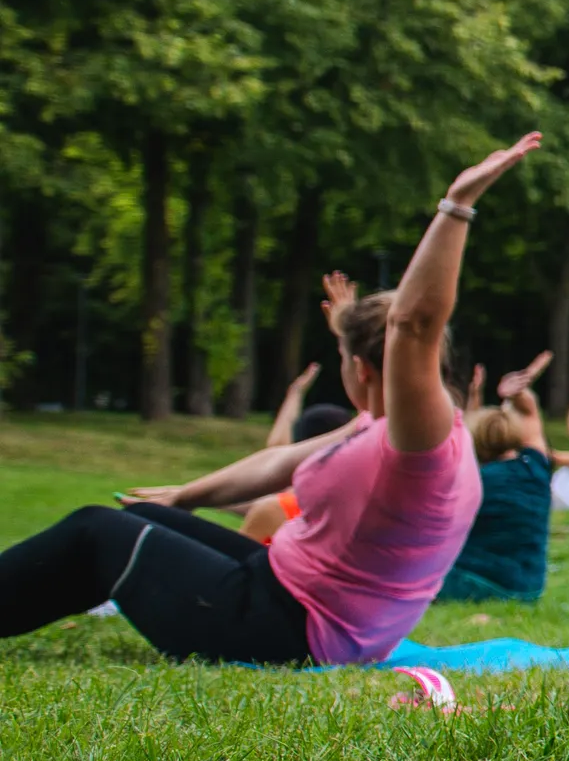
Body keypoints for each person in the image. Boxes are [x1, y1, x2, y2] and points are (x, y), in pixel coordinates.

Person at [0, 136, 540, 664]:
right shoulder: (384, 432)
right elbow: (282, 461)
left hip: (293, 629)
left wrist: (456, 206)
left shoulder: (421, 447)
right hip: (293, 597)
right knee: (146, 515)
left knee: (95, 532)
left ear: (362, 368)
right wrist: (184, 497)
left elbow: (413, 324)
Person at [436, 399, 560, 606]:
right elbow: (532, 419)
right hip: (529, 589)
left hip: (478, 583)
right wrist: (517, 392)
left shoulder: (473, 481)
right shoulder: (536, 470)